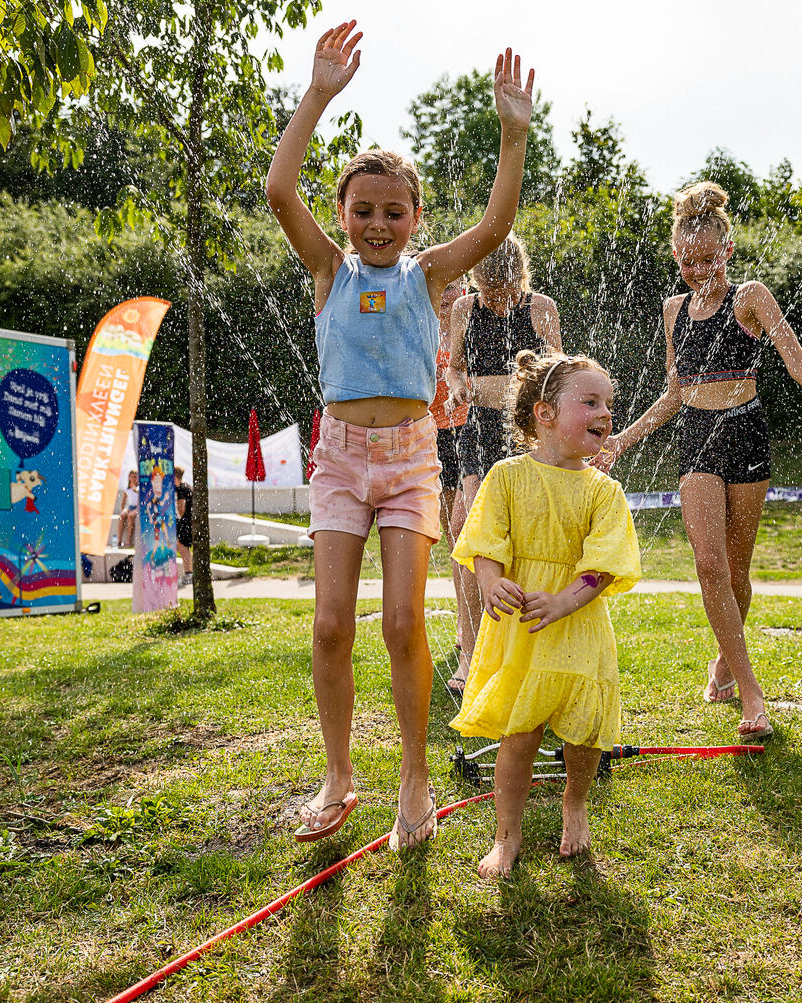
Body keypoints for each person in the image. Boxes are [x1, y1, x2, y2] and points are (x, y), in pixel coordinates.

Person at [264, 19, 538, 848]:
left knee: (402, 625)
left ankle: (413, 779)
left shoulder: (427, 274)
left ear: (415, 217)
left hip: (413, 460)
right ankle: (339, 776)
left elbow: (493, 229)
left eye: (392, 212)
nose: (376, 225)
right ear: (343, 214)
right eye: (362, 211)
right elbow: (281, 189)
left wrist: (511, 132)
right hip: (341, 460)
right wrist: (316, 95)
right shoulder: (327, 271)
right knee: (331, 625)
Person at [596, 181, 802, 741]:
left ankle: (724, 654)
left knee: (736, 572)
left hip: (747, 435)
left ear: (728, 252)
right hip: (696, 441)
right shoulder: (673, 311)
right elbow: (675, 392)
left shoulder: (750, 298)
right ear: (675, 256)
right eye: (689, 262)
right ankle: (752, 694)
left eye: (710, 259)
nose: (700, 271)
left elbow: (797, 360)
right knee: (708, 563)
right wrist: (624, 440)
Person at [451, 350, 640, 879]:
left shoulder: (605, 491)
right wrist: (489, 581)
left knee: (584, 732)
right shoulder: (507, 476)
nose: (605, 413)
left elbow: (603, 566)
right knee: (521, 733)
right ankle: (505, 836)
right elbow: (484, 539)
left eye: (608, 403)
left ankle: (575, 804)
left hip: (576, 624)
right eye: (590, 402)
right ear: (545, 413)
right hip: (523, 628)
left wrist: (563, 602)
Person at [444, 233, 563, 691]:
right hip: (477, 429)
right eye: (487, 291)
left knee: (526, 533)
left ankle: (526, 643)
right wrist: (456, 385)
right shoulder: (464, 310)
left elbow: (558, 372)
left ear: (520, 277)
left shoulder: (540, 308)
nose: (495, 301)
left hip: (527, 432)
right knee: (469, 533)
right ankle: (471, 651)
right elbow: (454, 365)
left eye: (503, 291)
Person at [431, 279, 476, 693]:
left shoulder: (469, 323)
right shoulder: (423, 325)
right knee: (453, 541)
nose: (447, 294)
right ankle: (467, 627)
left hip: (469, 434)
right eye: (441, 287)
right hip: (433, 437)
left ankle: (471, 645)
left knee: (466, 535)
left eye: (454, 286)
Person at [117, 469, 140, 550]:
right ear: (129, 478)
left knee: (130, 517)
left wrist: (136, 490)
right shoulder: (127, 490)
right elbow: (123, 502)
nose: (133, 479)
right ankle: (119, 540)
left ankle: (129, 540)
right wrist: (123, 510)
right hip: (130, 507)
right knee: (122, 516)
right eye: (131, 477)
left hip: (137, 507)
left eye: (135, 477)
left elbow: (140, 501)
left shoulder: (139, 488)